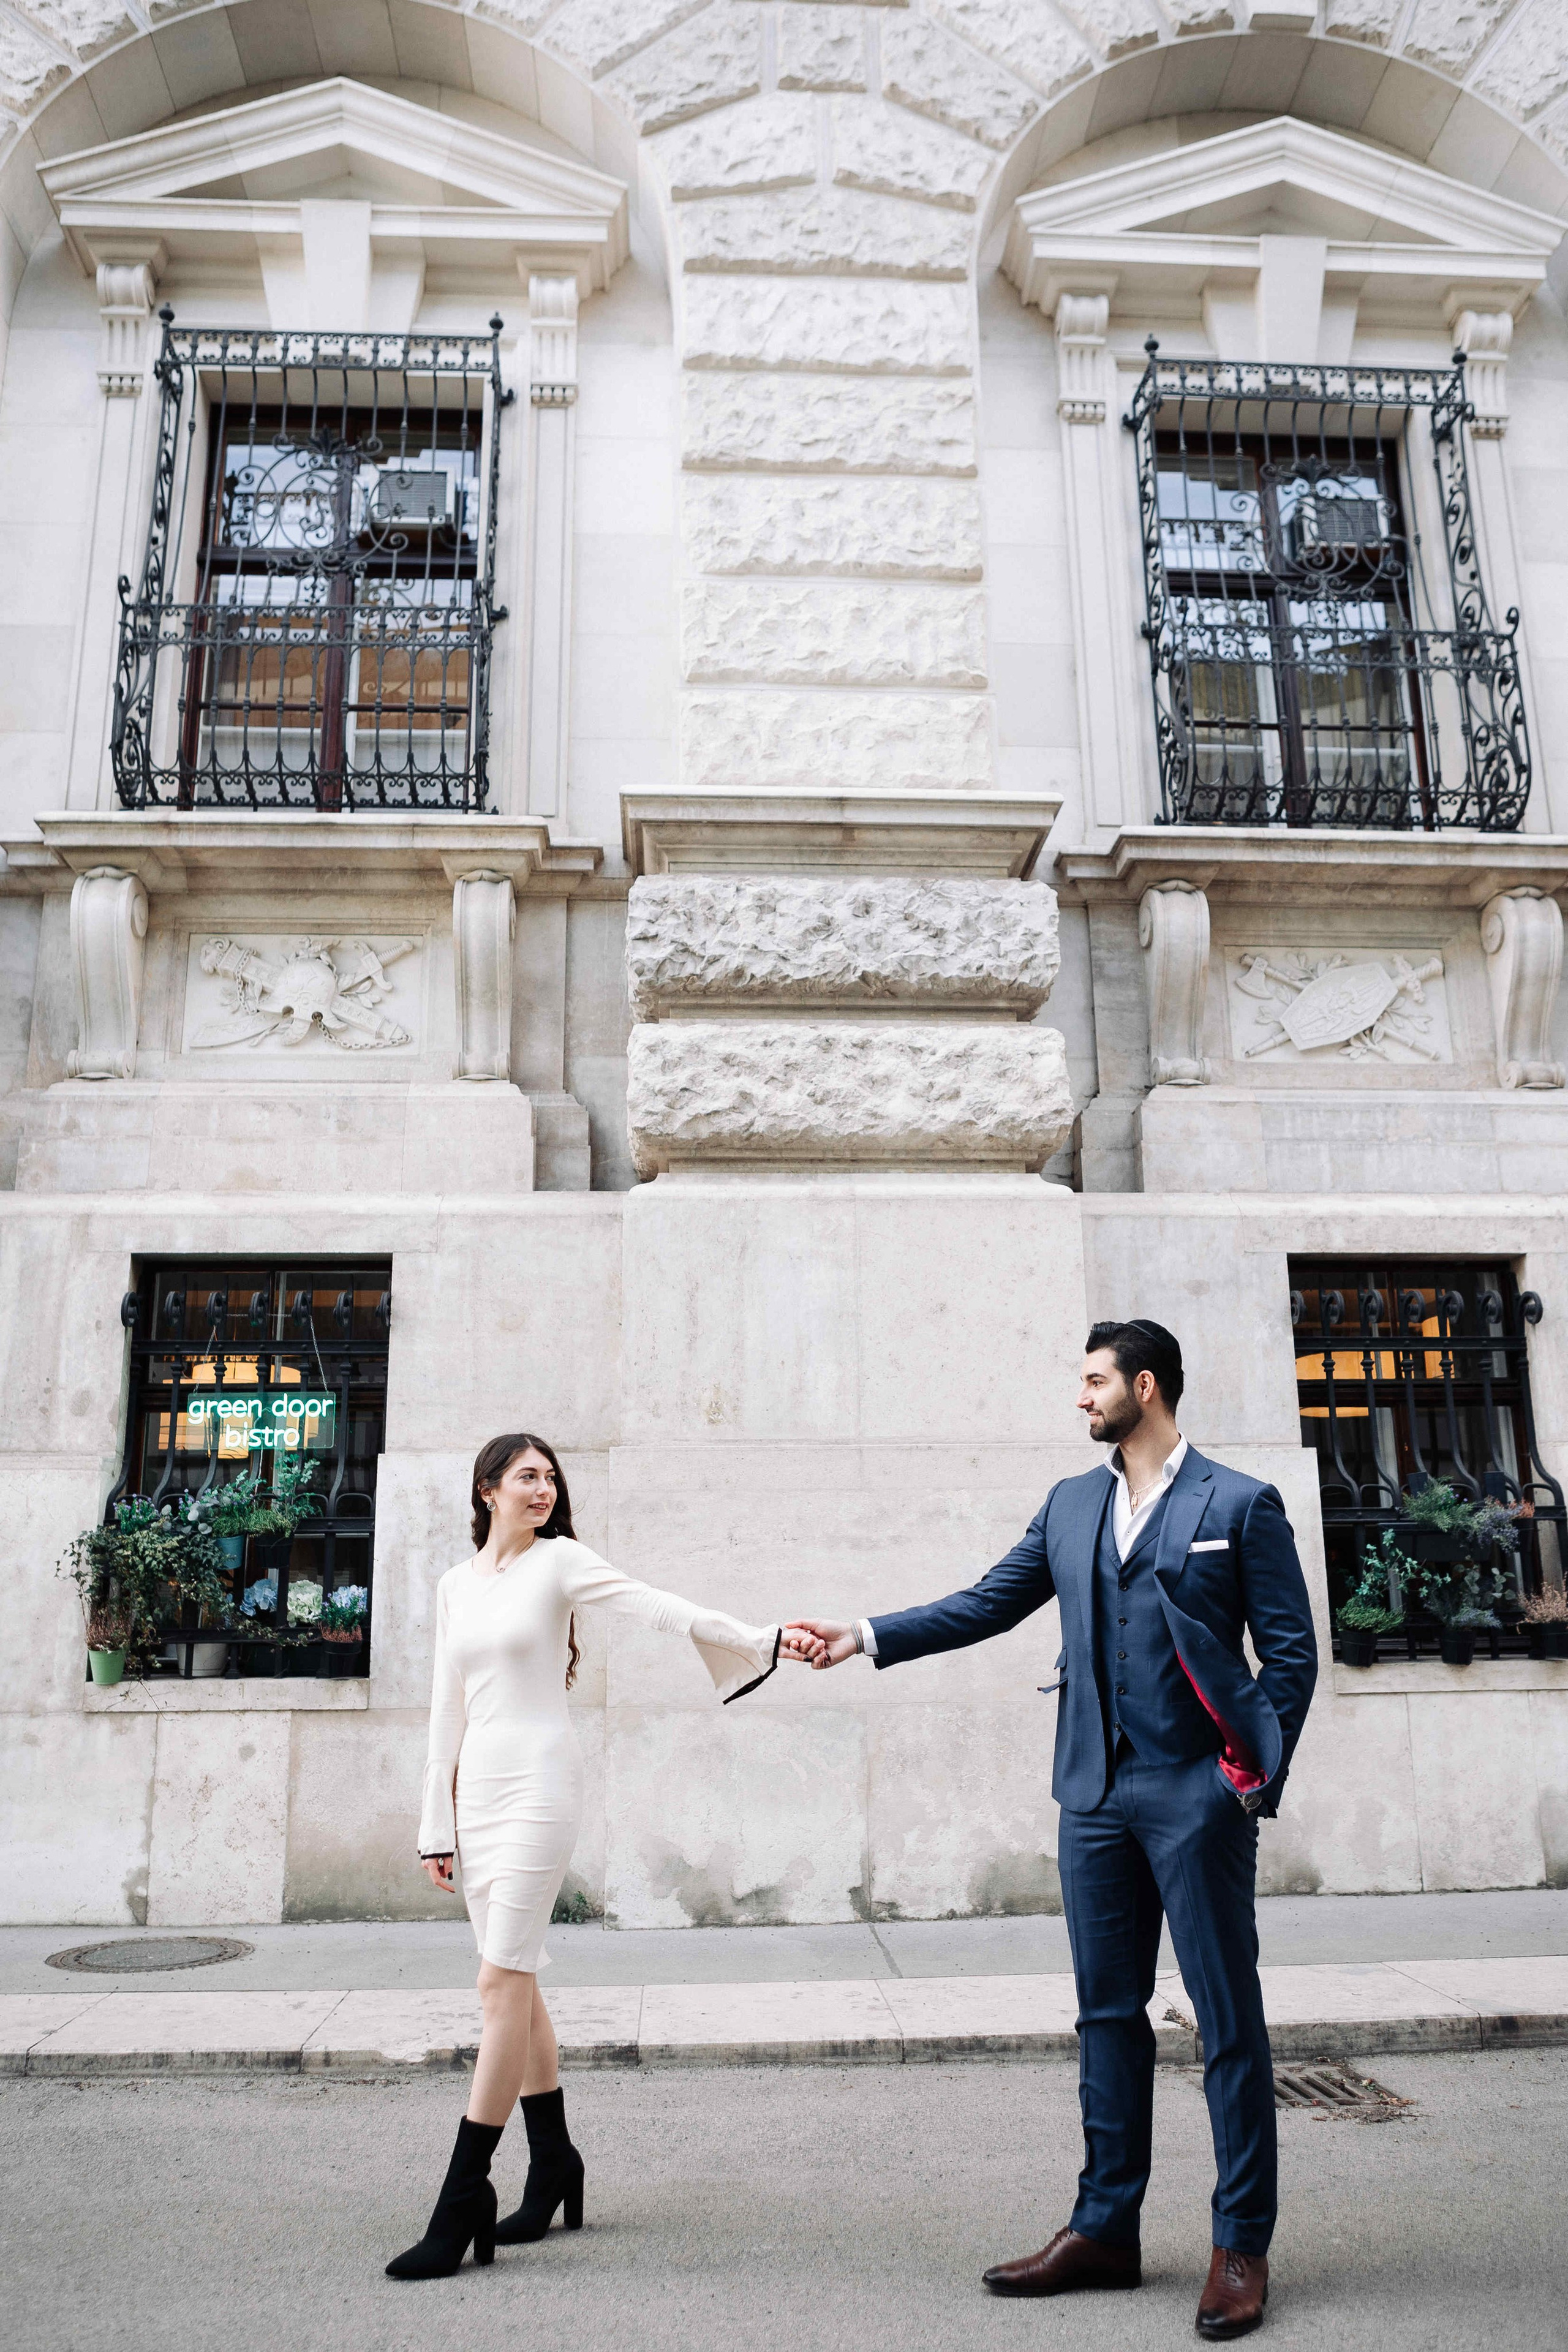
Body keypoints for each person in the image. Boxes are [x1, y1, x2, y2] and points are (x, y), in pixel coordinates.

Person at [789, 1321, 1317, 2342]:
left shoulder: (1240, 1504)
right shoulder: (1073, 1504)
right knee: (1106, 2017)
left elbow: (1289, 1659)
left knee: (1227, 2022)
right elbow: (990, 1602)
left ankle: (1240, 2243)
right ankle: (1105, 2229)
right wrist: (863, 1636)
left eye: (1094, 1382)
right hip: (1093, 1798)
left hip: (1194, 1797)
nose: (1081, 1399)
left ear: (1145, 1388)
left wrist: (1239, 1783)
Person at [388, 1430, 804, 2282]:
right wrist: (438, 1823)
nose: (542, 1489)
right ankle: (555, 2163)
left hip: (542, 1788)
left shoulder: (560, 1562)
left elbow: (656, 1605)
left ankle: (462, 2195)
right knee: (518, 1982)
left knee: (497, 1983)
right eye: (526, 1477)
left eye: (550, 1478)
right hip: (480, 1796)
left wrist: (759, 1636)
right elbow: (445, 1709)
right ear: (486, 1489)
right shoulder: (454, 1586)